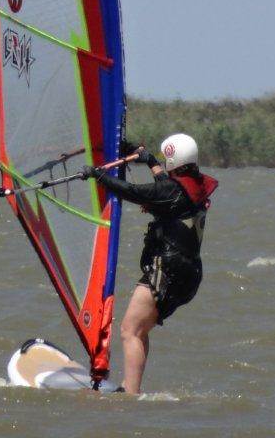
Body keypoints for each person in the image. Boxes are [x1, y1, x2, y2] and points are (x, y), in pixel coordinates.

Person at [82, 133, 218, 394]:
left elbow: (134, 192)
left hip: (166, 271)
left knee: (129, 330)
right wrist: (150, 161)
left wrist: (98, 176)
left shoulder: (171, 191)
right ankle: (131, 387)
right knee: (140, 330)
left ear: (173, 160)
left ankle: (131, 395)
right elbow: (166, 187)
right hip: (188, 274)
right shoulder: (195, 186)